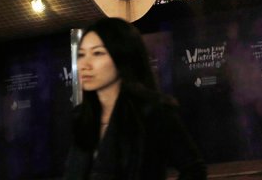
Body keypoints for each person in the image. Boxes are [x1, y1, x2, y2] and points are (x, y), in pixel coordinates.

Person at [64, 17, 206, 180]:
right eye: (81, 54)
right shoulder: (81, 116)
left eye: (97, 53)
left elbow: (194, 169)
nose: (85, 64)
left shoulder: (153, 112)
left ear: (122, 55)